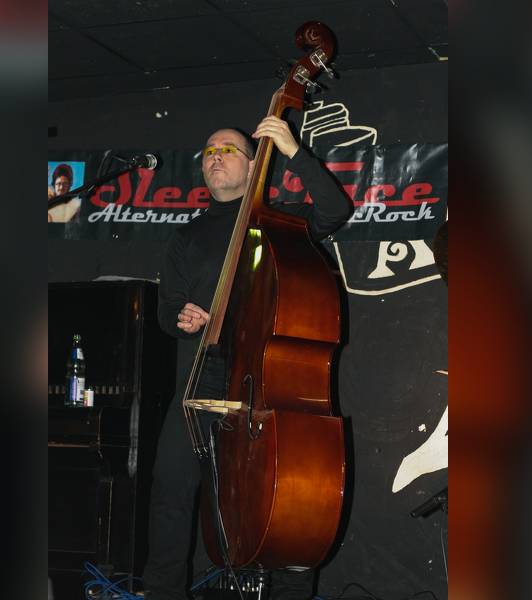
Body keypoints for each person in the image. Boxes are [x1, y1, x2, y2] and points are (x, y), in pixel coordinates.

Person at [144, 116, 352, 600]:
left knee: (285, 493)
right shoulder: (187, 237)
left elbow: (336, 208)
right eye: (209, 151)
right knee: (170, 486)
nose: (215, 157)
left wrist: (293, 151)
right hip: (204, 373)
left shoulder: (282, 224)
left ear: (256, 164)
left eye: (228, 150)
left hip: (267, 378)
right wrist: (181, 317)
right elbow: (167, 309)